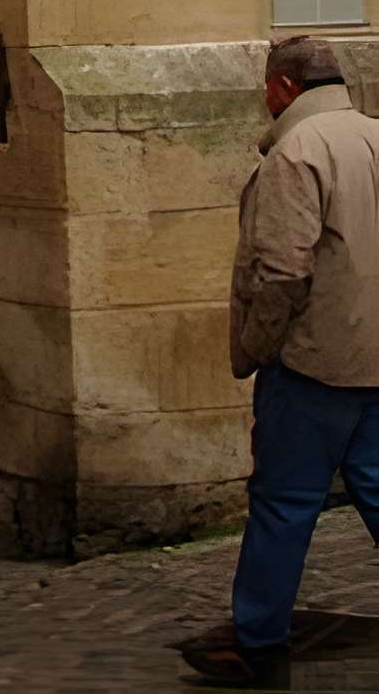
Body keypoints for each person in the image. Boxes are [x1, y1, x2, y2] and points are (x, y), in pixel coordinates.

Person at [181, 38, 379, 690]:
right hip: (374, 358)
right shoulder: (373, 135)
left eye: (266, 88)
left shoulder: (297, 153)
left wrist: (261, 347)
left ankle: (258, 645)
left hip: (315, 364)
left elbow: (283, 272)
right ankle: (257, 639)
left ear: (286, 88)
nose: (263, 99)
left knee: (282, 504)